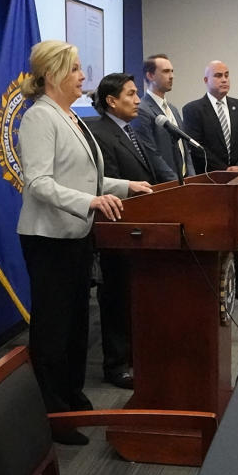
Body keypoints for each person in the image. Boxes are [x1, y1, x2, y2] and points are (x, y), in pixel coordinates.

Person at [16, 41, 152, 443]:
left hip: (75, 235)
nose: (82, 76)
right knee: (54, 328)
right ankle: (52, 412)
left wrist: (127, 185)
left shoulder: (72, 117)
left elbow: (85, 180)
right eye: (75, 69)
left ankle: (71, 397)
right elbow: (38, 183)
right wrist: (90, 201)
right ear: (55, 74)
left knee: (77, 325)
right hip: (49, 238)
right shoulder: (40, 118)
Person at [87, 73, 168, 389]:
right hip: (119, 231)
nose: (138, 100)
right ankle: (116, 365)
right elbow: (108, 183)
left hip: (140, 231)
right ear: (111, 101)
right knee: (116, 299)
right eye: (132, 94)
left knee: (133, 297)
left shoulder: (129, 131)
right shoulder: (100, 134)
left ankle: (136, 355)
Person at [182, 60, 238, 301]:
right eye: (218, 75)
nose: (224, 79)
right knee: (213, 234)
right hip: (210, 181)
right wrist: (223, 169)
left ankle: (237, 285)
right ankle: (212, 285)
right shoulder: (193, 109)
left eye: (226, 75)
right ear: (206, 80)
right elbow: (195, 146)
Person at [132, 54, 192, 181]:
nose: (171, 76)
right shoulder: (142, 110)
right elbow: (151, 154)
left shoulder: (173, 109)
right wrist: (175, 183)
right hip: (166, 185)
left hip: (185, 181)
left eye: (172, 71)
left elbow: (185, 148)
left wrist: (192, 177)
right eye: (165, 71)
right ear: (150, 75)